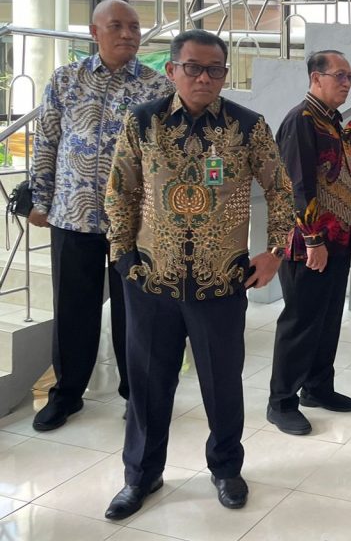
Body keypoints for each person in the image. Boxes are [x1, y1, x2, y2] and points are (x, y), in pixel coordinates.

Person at [102, 29, 293, 520]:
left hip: (221, 284)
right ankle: (140, 476)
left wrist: (274, 252)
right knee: (147, 386)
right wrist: (122, 255)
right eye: (193, 67)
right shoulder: (142, 122)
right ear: (172, 70)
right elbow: (120, 189)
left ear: (225, 74)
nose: (204, 78)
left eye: (215, 69)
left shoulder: (247, 126)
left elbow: (281, 190)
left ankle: (226, 469)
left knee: (222, 384)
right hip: (151, 281)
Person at [28, 0, 173, 432]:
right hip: (72, 216)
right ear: (94, 32)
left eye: (135, 26)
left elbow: (166, 157)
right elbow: (47, 140)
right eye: (117, 26)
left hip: (134, 225)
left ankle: (137, 394)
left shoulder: (157, 86)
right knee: (72, 310)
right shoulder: (65, 79)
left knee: (135, 313)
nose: (128, 34)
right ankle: (67, 394)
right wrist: (40, 199)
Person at [266, 50, 351, 435]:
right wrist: (313, 240)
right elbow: (296, 186)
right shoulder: (300, 120)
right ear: (316, 78)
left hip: (337, 240)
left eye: (350, 77)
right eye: (340, 76)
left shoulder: (328, 119)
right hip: (309, 244)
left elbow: (341, 151)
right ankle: (280, 402)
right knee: (300, 323)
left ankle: (316, 388)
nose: (347, 83)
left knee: (327, 319)